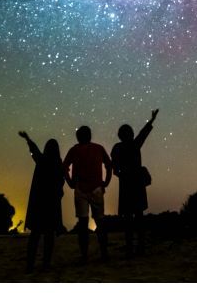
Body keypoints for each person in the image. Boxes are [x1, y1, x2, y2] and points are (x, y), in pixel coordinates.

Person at [111, 108, 158, 257]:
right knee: (139, 217)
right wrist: (151, 120)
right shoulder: (135, 144)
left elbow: (115, 169)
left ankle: (130, 247)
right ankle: (141, 247)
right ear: (130, 134)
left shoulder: (117, 148)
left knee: (128, 219)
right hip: (137, 184)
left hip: (125, 185)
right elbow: (143, 133)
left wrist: (122, 173)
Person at [62, 125, 112, 263]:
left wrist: (70, 182)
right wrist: (106, 182)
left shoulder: (74, 150)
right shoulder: (98, 148)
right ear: (90, 135)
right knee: (99, 221)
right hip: (96, 188)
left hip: (81, 189)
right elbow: (109, 165)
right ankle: (104, 253)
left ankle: (85, 255)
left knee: (83, 223)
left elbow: (64, 167)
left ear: (78, 137)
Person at [18, 131, 64, 272]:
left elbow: (34, 150)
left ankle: (30, 265)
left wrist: (28, 139)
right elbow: (60, 186)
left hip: (38, 205)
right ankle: (46, 264)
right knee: (49, 236)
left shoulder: (42, 160)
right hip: (51, 205)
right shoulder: (58, 164)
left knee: (35, 235)